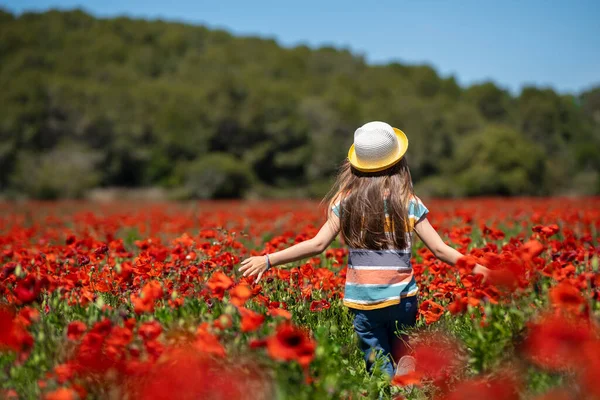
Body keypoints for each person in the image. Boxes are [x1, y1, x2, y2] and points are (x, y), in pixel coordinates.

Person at [238, 121, 490, 378]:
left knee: (379, 370)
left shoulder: (344, 202)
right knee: (404, 353)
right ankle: (407, 373)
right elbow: (440, 250)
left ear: (356, 164)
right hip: (402, 302)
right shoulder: (408, 203)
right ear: (399, 163)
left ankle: (387, 386)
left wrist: (268, 260)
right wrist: (479, 269)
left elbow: (317, 244)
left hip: (364, 305)